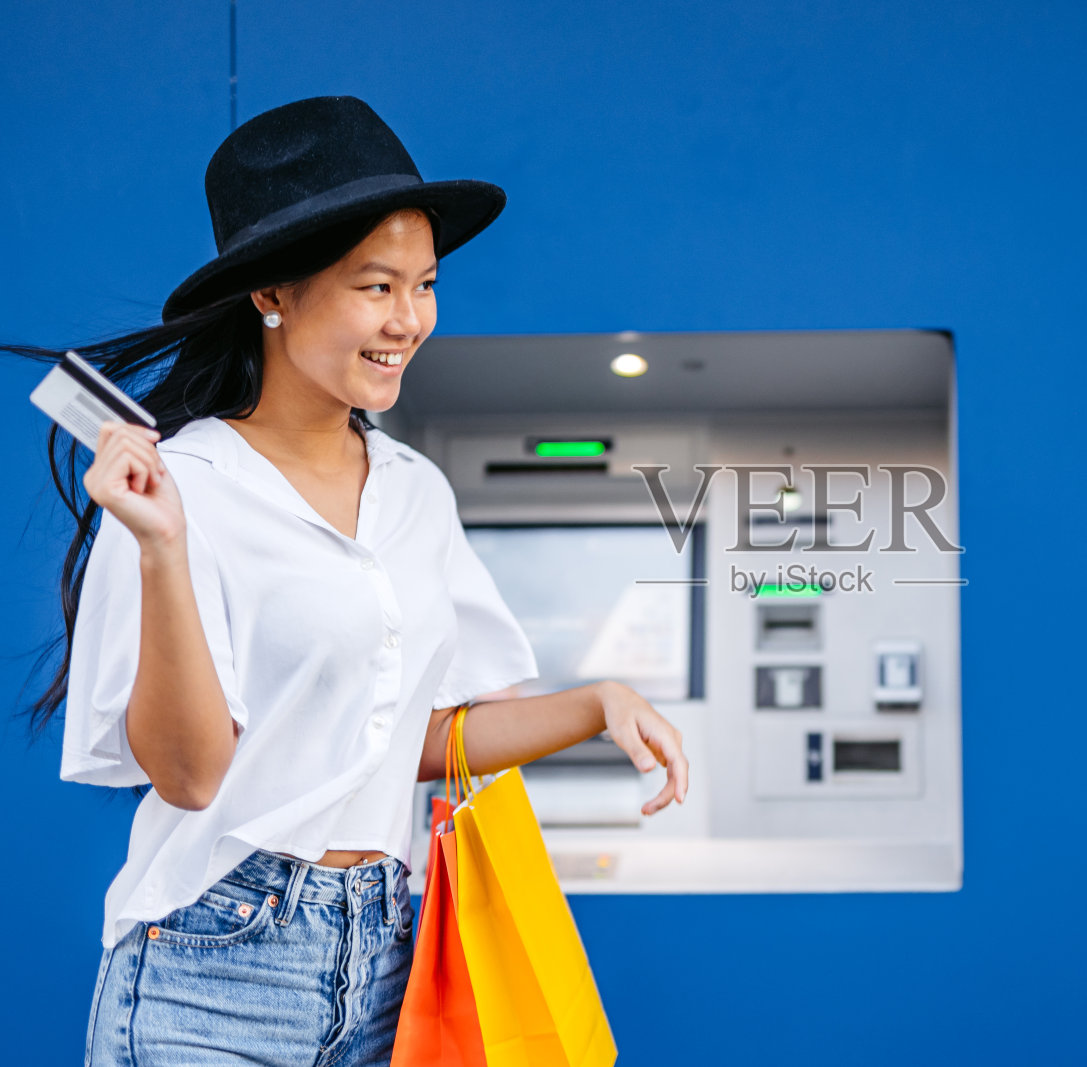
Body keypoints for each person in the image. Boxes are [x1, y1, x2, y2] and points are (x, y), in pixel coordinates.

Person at [15, 96, 688, 1065]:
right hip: (214, 969)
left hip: (387, 964)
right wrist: (161, 548)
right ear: (272, 294)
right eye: (377, 286)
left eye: (424, 284)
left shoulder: (416, 493)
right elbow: (192, 772)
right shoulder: (181, 485)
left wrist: (599, 701)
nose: (409, 319)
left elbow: (406, 740)